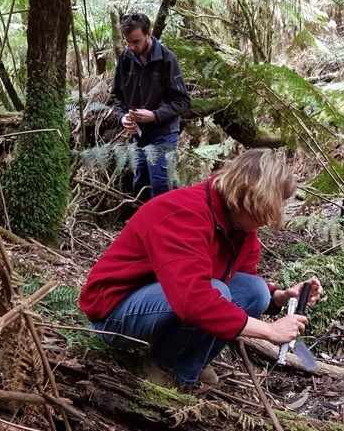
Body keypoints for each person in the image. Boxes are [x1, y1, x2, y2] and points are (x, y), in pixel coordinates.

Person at [79, 149, 323, 387]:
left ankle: (188, 362)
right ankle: (165, 368)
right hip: (114, 315)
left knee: (256, 291)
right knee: (215, 291)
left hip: (164, 301)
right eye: (262, 212)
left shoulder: (240, 227)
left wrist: (280, 298)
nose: (266, 220)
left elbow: (244, 280)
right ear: (243, 198)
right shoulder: (182, 213)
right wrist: (270, 331)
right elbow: (193, 301)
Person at [109, 12, 191, 200]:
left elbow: (182, 101)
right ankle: (145, 226)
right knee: (141, 183)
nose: (131, 46)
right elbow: (116, 97)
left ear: (149, 33)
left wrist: (155, 115)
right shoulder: (125, 59)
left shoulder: (167, 59)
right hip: (138, 134)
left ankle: (167, 225)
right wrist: (122, 117)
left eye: (136, 41)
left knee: (161, 184)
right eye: (128, 41)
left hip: (164, 132)